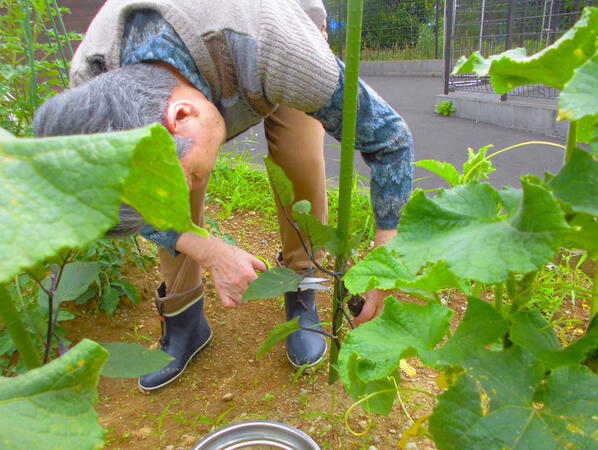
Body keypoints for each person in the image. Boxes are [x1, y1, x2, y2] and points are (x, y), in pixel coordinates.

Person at [34, 0, 414, 392]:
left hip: (270, 32)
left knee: (299, 161)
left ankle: (301, 288)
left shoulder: (277, 46)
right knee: (175, 196)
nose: (200, 183)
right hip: (196, 64)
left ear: (181, 116)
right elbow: (135, 205)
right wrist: (209, 250)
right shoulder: (92, 84)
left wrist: (387, 258)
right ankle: (185, 319)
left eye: (191, 176)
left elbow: (390, 140)